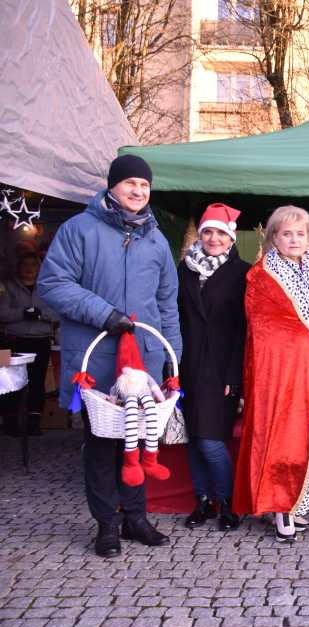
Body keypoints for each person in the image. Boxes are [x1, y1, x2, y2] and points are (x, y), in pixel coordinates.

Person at [37, 154, 182, 558]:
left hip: (145, 363)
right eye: (130, 183)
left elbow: (167, 304)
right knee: (101, 444)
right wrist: (105, 314)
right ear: (112, 186)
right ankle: (107, 524)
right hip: (95, 361)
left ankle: (136, 517)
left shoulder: (156, 241)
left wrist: (174, 358)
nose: (138, 191)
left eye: (145, 185)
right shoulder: (79, 230)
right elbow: (52, 284)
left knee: (137, 441)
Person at [233, 206, 309, 542]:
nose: (294, 239)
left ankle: (296, 502)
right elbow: (264, 327)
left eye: (300, 233)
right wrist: (302, 342)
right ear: (274, 238)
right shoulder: (261, 275)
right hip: (282, 373)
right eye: (286, 233)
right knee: (283, 436)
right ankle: (279, 504)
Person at [177, 203, 250, 532]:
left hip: (221, 371)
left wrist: (234, 377)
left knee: (211, 441)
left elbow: (242, 331)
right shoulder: (184, 270)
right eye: (208, 231)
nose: (213, 238)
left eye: (220, 232)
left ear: (231, 237)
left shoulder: (243, 273)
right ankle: (203, 500)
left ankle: (228, 503)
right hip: (187, 365)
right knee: (193, 439)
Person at [0, 249, 57, 436]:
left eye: (33, 265)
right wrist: (22, 313)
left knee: (37, 382)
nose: (29, 269)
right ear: (18, 267)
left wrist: (41, 315)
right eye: (25, 265)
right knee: (9, 381)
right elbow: (2, 313)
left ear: (40, 268)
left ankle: (33, 422)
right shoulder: (7, 287)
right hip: (13, 340)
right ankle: (10, 422)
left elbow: (58, 314)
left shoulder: (47, 288)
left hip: (40, 341)